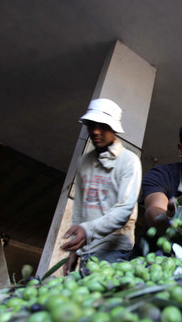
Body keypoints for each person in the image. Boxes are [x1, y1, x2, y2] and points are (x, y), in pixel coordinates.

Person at [61, 98, 142, 274]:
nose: (96, 131)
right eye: (92, 125)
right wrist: (74, 251)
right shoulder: (85, 162)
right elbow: (79, 211)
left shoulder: (129, 161)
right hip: (87, 250)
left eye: (103, 126)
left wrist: (87, 230)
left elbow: (125, 209)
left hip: (114, 251)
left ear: (114, 129)